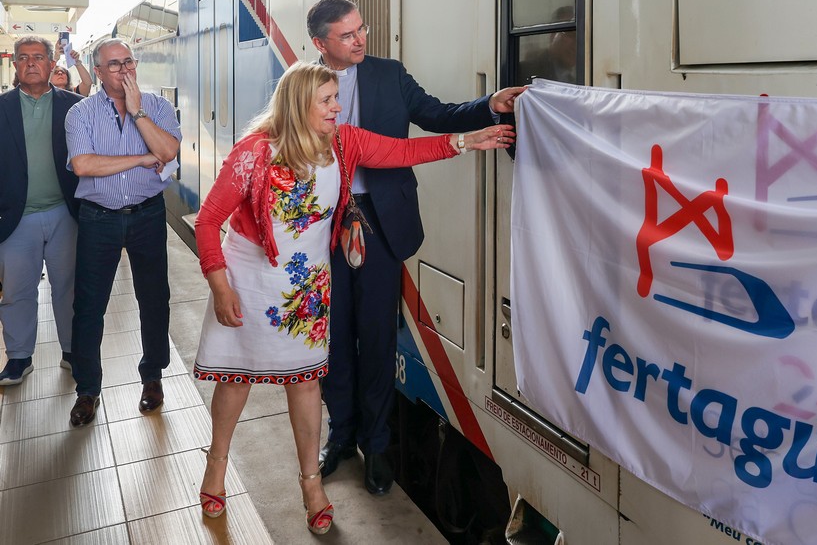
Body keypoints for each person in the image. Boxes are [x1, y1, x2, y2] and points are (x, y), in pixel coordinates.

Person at [192, 61, 514, 534]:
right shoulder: (254, 154)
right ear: (299, 104)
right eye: (326, 100)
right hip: (249, 278)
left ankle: (310, 486)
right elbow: (207, 221)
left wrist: (468, 140)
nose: (337, 107)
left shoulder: (345, 143)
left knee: (304, 383)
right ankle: (216, 467)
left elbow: (404, 151)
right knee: (237, 378)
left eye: (335, 98)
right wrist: (220, 287)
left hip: (306, 286)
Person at [307, 0, 525, 495]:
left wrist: (489, 105)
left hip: (382, 221)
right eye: (347, 35)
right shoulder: (302, 84)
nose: (360, 39)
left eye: (362, 28)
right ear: (321, 44)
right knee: (334, 338)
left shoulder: (388, 73)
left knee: (378, 336)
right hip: (322, 227)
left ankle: (377, 447)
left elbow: (435, 115)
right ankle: (340, 436)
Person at [64, 38, 181, 427]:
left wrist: (139, 114)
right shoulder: (80, 113)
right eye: (114, 65)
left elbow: (169, 153)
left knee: (154, 299)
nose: (124, 70)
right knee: (90, 305)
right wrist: (142, 158)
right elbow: (83, 165)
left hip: (148, 214)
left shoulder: (159, 106)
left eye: (128, 61)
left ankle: (153, 377)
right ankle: (88, 388)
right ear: (97, 72)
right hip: (100, 218)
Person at [0, 36, 82, 385]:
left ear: (52, 64)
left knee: (69, 287)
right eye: (23, 58)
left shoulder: (76, 106)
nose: (30, 63)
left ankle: (72, 350)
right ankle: (19, 358)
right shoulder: (1, 107)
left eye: (38, 57)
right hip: (16, 218)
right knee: (18, 290)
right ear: (15, 66)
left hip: (66, 213)